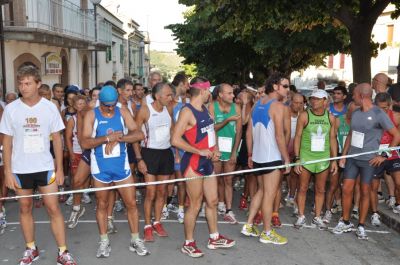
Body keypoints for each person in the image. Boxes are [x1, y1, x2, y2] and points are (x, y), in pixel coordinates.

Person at [0, 65, 77, 264]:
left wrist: (60, 169)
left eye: (27, 83)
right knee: (25, 208)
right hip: (20, 168)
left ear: (38, 84)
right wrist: (8, 171)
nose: (23, 87)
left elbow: (58, 139)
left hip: (45, 167)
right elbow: (6, 141)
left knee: (53, 208)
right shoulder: (11, 109)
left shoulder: (50, 107)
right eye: (20, 83)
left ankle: (63, 252)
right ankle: (30, 249)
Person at [81, 85, 149, 257]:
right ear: (99, 102)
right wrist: (106, 139)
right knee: (102, 204)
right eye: (107, 105)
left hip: (121, 167)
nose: (110, 108)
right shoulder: (91, 115)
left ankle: (135, 239)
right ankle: (104, 241)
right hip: (101, 168)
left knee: (131, 203)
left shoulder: (123, 111)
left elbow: (139, 134)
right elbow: (85, 143)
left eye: (113, 104)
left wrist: (120, 138)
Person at [172, 77, 235, 258]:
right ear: (202, 91)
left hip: (207, 162)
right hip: (193, 163)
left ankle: (214, 237)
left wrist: (214, 150)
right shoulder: (187, 111)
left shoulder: (206, 109)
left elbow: (210, 131)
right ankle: (188, 243)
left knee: (213, 201)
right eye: (209, 91)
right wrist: (198, 151)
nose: (211, 94)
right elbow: (175, 140)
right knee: (195, 204)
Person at [333, 83, 400, 240]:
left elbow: (396, 135)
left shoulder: (378, 114)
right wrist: (344, 155)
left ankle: (361, 225)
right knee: (347, 188)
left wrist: (383, 155)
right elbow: (350, 135)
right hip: (353, 158)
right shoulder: (355, 113)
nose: (352, 96)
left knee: (364, 191)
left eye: (354, 94)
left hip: (369, 161)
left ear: (362, 96)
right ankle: (345, 221)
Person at [241, 72, 290, 245]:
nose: (287, 89)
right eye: (285, 86)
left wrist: (250, 154)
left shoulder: (257, 105)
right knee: (269, 195)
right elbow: (279, 136)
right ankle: (267, 232)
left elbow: (248, 133)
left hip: (259, 157)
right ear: (275, 86)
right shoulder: (278, 106)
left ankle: (248, 225)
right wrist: (286, 159)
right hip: (272, 157)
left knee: (261, 192)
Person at [134, 82, 175, 242]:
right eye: (167, 95)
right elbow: (135, 136)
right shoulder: (145, 110)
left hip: (165, 153)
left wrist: (176, 153)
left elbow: (172, 130)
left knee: (162, 191)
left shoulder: (168, 108)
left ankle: (157, 222)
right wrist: (139, 159)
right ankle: (147, 225)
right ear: (158, 96)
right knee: (150, 192)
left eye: (171, 94)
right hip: (149, 153)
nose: (170, 97)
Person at [293, 89, 338, 229]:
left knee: (320, 189)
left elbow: (332, 139)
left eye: (317, 99)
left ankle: (317, 216)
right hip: (306, 157)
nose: (314, 101)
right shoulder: (304, 116)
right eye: (312, 98)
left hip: (322, 158)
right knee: (303, 188)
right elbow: (298, 137)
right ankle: (301, 216)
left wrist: (334, 160)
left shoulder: (331, 118)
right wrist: (297, 158)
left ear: (325, 101)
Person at [209, 83, 242, 224]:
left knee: (228, 180)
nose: (233, 95)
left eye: (233, 93)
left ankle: (229, 210)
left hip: (230, 149)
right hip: (216, 148)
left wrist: (234, 152)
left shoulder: (236, 107)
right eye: (229, 93)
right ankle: (214, 205)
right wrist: (227, 120)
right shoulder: (211, 106)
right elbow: (212, 128)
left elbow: (239, 132)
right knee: (215, 179)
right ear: (220, 95)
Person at [370, 93, 400, 225]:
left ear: (390, 105)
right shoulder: (369, 116)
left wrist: (386, 153)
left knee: (398, 182)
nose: (382, 111)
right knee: (374, 187)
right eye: (379, 108)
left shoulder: (396, 116)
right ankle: (375, 213)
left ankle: (398, 204)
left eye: (385, 108)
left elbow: (397, 136)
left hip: (391, 153)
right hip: (375, 155)